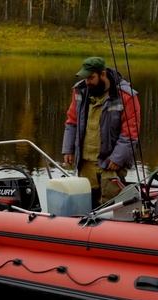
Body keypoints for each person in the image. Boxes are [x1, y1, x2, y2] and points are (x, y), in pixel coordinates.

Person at [61, 57, 141, 207]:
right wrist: (68, 149)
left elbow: (130, 133)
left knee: (109, 207)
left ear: (102, 74)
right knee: (85, 205)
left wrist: (117, 158)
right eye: (85, 78)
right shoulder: (80, 90)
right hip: (85, 163)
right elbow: (71, 122)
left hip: (110, 164)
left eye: (91, 78)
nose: (87, 82)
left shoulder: (126, 96)